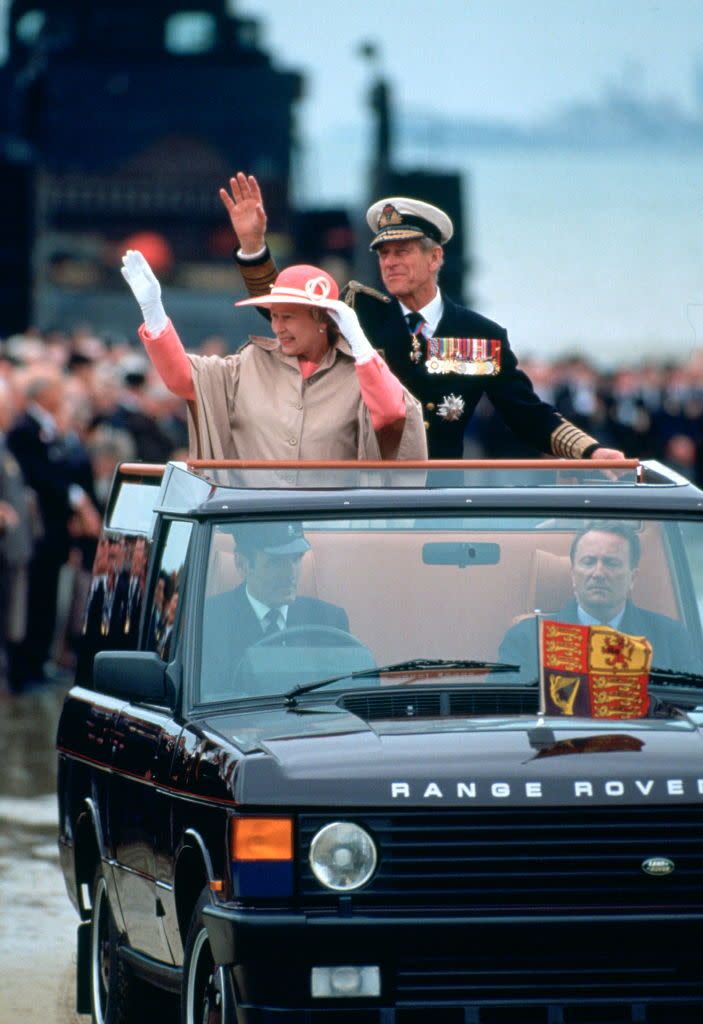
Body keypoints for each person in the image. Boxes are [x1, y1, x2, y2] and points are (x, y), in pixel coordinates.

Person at [223, 172, 625, 462]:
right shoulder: (357, 313)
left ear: (435, 257)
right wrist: (254, 246)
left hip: (438, 496)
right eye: (383, 254)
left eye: (403, 252)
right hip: (365, 490)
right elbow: (284, 311)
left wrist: (591, 451)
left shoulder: (480, 337)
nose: (390, 263)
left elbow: (527, 415)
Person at [120, 251, 427, 462]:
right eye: (274, 316)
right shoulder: (249, 362)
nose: (278, 327)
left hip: (332, 534)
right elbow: (183, 378)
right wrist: (154, 313)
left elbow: (393, 415)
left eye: (289, 317)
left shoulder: (359, 371)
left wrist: (359, 343)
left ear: (323, 319)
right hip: (255, 535)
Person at [498, 523, 695, 682]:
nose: (598, 573)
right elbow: (507, 710)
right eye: (589, 562)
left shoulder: (671, 639)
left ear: (632, 578)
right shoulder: (527, 639)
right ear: (573, 574)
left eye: (611, 563)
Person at [202, 522, 349, 683]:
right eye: (276, 562)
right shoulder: (207, 622)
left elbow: (342, 693)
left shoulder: (329, 622)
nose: (291, 573)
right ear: (242, 564)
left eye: (296, 558)